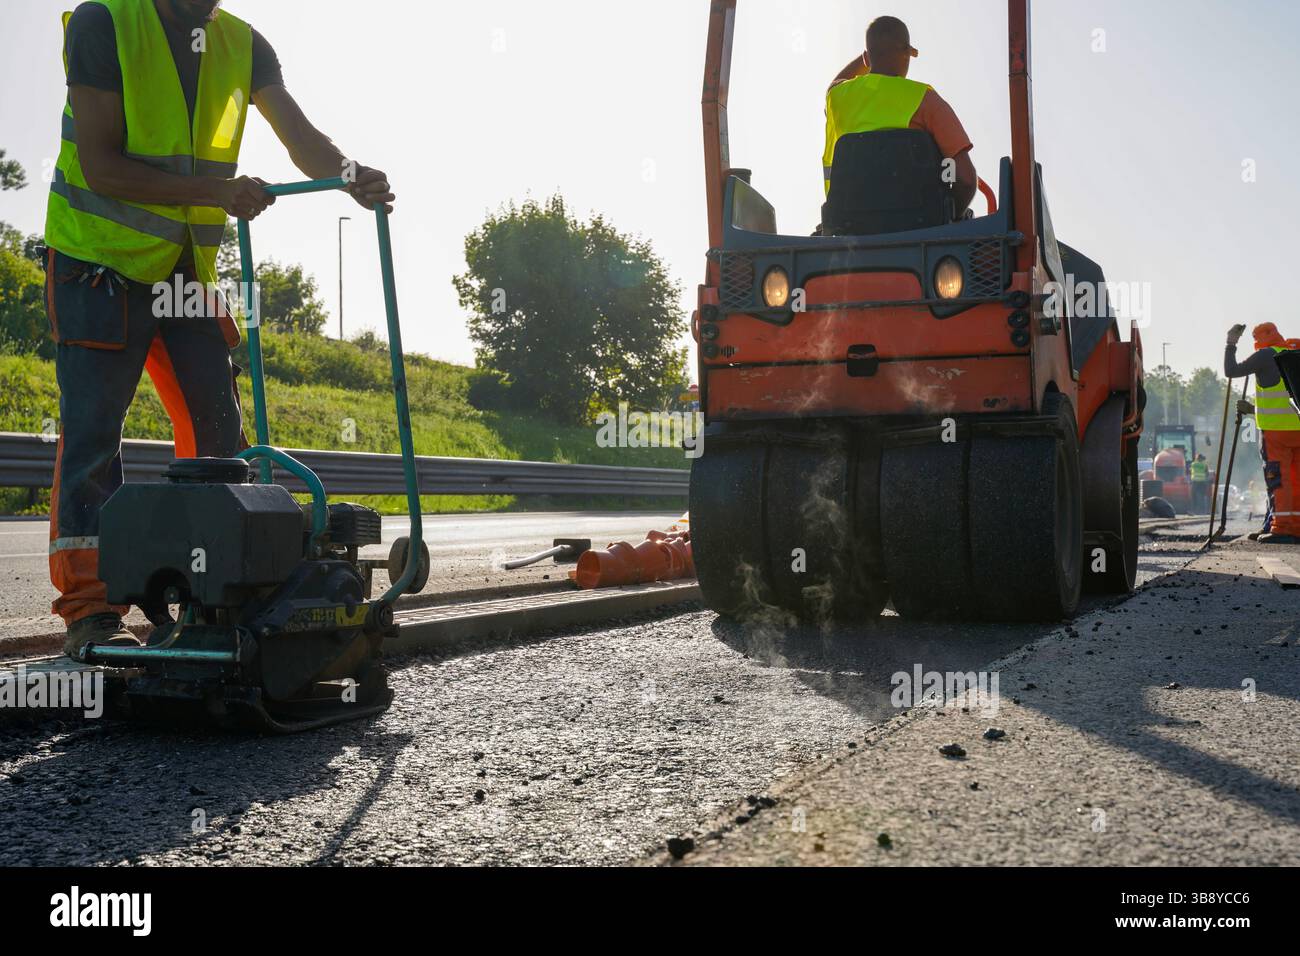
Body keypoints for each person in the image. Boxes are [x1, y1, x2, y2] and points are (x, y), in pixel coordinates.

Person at [45, 0, 396, 658]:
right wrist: (215, 193)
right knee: (94, 439)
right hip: (96, 265)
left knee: (219, 437)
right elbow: (101, 166)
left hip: (182, 270)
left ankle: (206, 591)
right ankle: (90, 613)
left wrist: (350, 177)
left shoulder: (242, 43)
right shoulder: (105, 22)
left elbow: (301, 139)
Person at [823, 16, 977, 216]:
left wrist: (868, 57)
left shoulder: (837, 97)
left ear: (867, 58)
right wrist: (950, 219)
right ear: (906, 53)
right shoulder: (925, 99)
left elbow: (835, 83)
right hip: (920, 228)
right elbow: (965, 180)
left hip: (847, 227)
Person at [1226, 322, 1300, 543]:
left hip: (1276, 431)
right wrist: (1252, 409)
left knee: (1279, 478)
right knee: (1296, 479)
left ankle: (1282, 528)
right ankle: (1295, 527)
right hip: (1297, 428)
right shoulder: (1290, 355)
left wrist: (1230, 343)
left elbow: (1231, 371)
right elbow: (1285, 398)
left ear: (1258, 338)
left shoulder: (1264, 356)